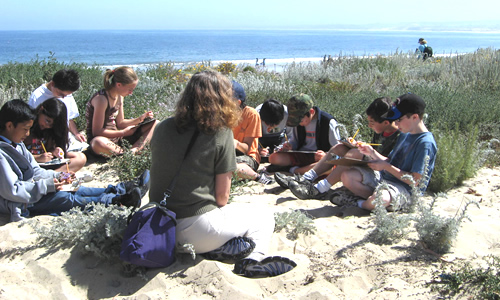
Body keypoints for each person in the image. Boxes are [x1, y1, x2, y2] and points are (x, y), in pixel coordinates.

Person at [149, 71, 296, 278]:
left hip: (158, 228)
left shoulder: (162, 127)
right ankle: (253, 259)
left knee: (220, 223)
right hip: (196, 230)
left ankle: (218, 247)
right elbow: (222, 197)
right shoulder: (220, 132)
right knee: (263, 216)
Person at [0, 100, 149, 223]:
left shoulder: (17, 144)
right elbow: (13, 191)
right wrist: (47, 185)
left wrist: (56, 177)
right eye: (25, 129)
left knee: (75, 188)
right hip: (22, 201)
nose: (27, 134)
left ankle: (122, 189)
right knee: (65, 198)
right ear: (9, 126)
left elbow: (36, 171)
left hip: (33, 190)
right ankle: (117, 200)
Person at [283, 97, 401, 201]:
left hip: (384, 172)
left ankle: (319, 189)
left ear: (385, 122)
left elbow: (391, 163)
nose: (370, 126)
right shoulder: (381, 130)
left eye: (372, 122)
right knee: (340, 148)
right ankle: (306, 179)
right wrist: (358, 146)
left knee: (354, 154)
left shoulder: (399, 136)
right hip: (375, 164)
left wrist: (368, 151)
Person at [338, 93, 437, 211]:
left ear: (415, 117)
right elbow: (390, 161)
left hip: (405, 189)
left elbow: (415, 181)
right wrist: (371, 152)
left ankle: (360, 203)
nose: (396, 123)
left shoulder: (425, 143)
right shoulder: (405, 133)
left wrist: (386, 167)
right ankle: (375, 199)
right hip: (386, 178)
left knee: (380, 200)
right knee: (347, 176)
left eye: (399, 119)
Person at [85, 66, 158, 156]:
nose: (131, 93)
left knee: (155, 123)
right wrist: (123, 132)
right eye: (130, 89)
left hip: (117, 138)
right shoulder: (101, 99)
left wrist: (140, 119)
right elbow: (96, 132)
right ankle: (126, 154)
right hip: (103, 140)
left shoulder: (119, 97)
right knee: (98, 142)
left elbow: (121, 123)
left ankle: (133, 150)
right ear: (119, 85)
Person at [268, 94, 341, 175]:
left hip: (320, 158)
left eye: (300, 120)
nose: (299, 123)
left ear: (311, 112)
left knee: (329, 165)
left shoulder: (328, 122)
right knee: (273, 158)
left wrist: (326, 155)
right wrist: (289, 146)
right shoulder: (298, 123)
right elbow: (295, 141)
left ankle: (294, 171)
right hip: (302, 155)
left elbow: (337, 150)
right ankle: (304, 170)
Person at [24, 98, 87, 173]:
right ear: (41, 110)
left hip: (47, 164)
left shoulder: (50, 130)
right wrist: (37, 158)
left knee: (80, 158)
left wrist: (54, 151)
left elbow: (48, 149)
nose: (48, 126)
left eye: (52, 125)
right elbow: (15, 154)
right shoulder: (26, 127)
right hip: (28, 165)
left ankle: (52, 175)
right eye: (47, 121)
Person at [231, 81, 274, 184]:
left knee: (227, 167)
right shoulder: (219, 114)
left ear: (237, 102)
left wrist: (233, 143)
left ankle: (256, 176)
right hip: (226, 154)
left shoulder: (251, 114)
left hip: (248, 157)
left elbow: (247, 148)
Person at [28, 69, 87, 143]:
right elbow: (32, 122)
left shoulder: (66, 94)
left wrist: (76, 133)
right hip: (45, 139)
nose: (63, 98)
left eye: (67, 95)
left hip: (64, 137)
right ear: (52, 84)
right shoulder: (37, 96)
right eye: (61, 94)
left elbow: (69, 118)